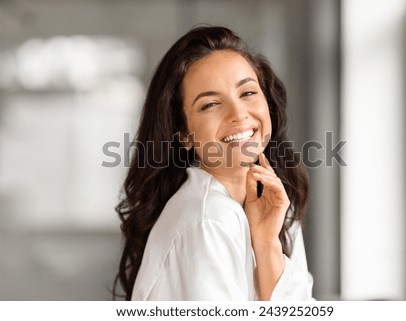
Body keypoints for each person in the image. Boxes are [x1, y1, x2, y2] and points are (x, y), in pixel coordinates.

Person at [113, 26, 313, 301]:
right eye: (210, 104)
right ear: (183, 135)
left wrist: (267, 245)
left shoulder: (275, 203)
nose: (238, 114)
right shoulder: (208, 220)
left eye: (247, 93)